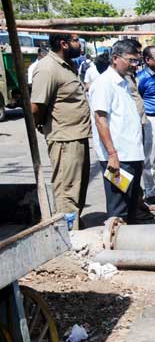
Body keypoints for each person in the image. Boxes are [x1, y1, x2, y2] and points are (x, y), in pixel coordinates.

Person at [30, 33, 91, 226]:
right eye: (75, 40)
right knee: (67, 189)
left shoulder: (68, 65)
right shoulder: (48, 68)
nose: (79, 44)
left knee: (77, 187)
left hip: (78, 135)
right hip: (64, 138)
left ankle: (74, 226)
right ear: (64, 44)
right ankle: (68, 234)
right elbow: (36, 106)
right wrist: (41, 124)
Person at [88, 40, 146, 223]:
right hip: (118, 158)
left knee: (130, 207)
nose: (134, 65)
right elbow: (100, 119)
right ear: (115, 58)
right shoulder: (104, 83)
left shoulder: (122, 82)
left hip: (132, 154)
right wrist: (112, 154)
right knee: (118, 209)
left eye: (136, 61)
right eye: (131, 60)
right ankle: (115, 248)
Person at [138, 45, 155, 205]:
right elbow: (138, 98)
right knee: (149, 157)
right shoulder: (142, 77)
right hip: (150, 119)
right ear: (147, 60)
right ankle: (150, 192)